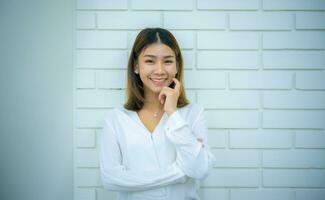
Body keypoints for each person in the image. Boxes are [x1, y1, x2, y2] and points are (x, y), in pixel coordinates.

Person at [99, 27, 216, 200]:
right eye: (150, 61)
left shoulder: (194, 113)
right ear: (136, 66)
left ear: (177, 66)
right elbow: (110, 179)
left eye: (167, 61)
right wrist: (180, 173)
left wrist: (173, 113)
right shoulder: (115, 119)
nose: (160, 70)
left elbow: (200, 170)